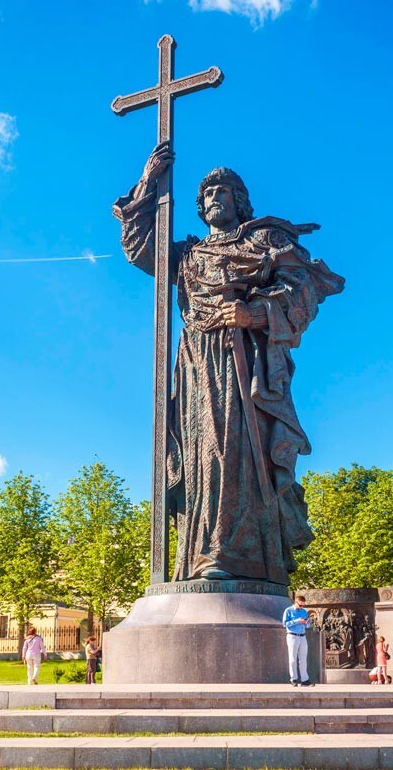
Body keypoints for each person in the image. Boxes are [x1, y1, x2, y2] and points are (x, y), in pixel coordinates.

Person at [116, 145, 344, 585]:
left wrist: (255, 314)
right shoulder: (188, 255)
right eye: (208, 192)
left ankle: (233, 552)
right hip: (197, 363)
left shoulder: (264, 241)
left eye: (225, 190)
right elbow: (142, 247)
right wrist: (148, 184)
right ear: (200, 207)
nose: (215, 196)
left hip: (245, 363)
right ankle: (197, 552)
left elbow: (305, 287)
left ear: (240, 201)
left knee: (233, 452)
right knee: (199, 458)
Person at [282, 595, 312, 687]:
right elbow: (284, 624)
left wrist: (307, 623)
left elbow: (308, 625)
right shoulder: (288, 610)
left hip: (302, 636)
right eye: (300, 605)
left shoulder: (304, 611)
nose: (302, 607)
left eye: (303, 605)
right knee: (293, 659)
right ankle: (293, 679)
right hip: (292, 636)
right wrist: (297, 621)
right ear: (296, 602)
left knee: (303, 659)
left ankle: (304, 679)